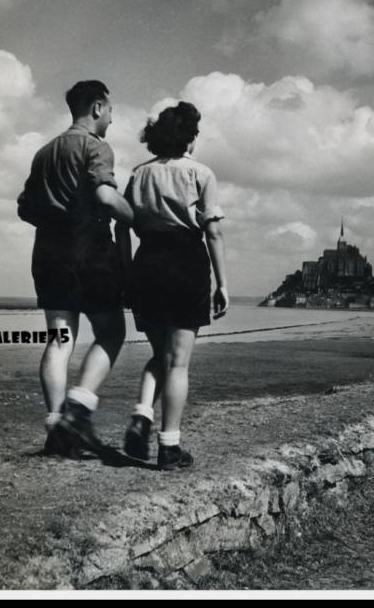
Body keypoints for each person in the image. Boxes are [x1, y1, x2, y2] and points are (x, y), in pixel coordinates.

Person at [17, 80, 135, 457]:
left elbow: (25, 207)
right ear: (98, 107)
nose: (112, 119)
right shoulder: (95, 146)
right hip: (90, 247)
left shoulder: (44, 152)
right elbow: (105, 195)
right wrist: (133, 217)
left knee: (59, 339)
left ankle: (56, 427)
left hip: (49, 250)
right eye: (111, 111)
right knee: (111, 331)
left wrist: (54, 219)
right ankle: (79, 409)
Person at [116, 101, 228, 471]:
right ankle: (169, 447)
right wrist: (222, 284)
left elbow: (122, 226)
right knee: (178, 363)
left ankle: (141, 413)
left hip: (146, 263)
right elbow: (212, 231)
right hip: (185, 264)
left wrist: (125, 272)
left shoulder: (139, 174)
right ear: (191, 138)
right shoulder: (201, 173)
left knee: (160, 353)